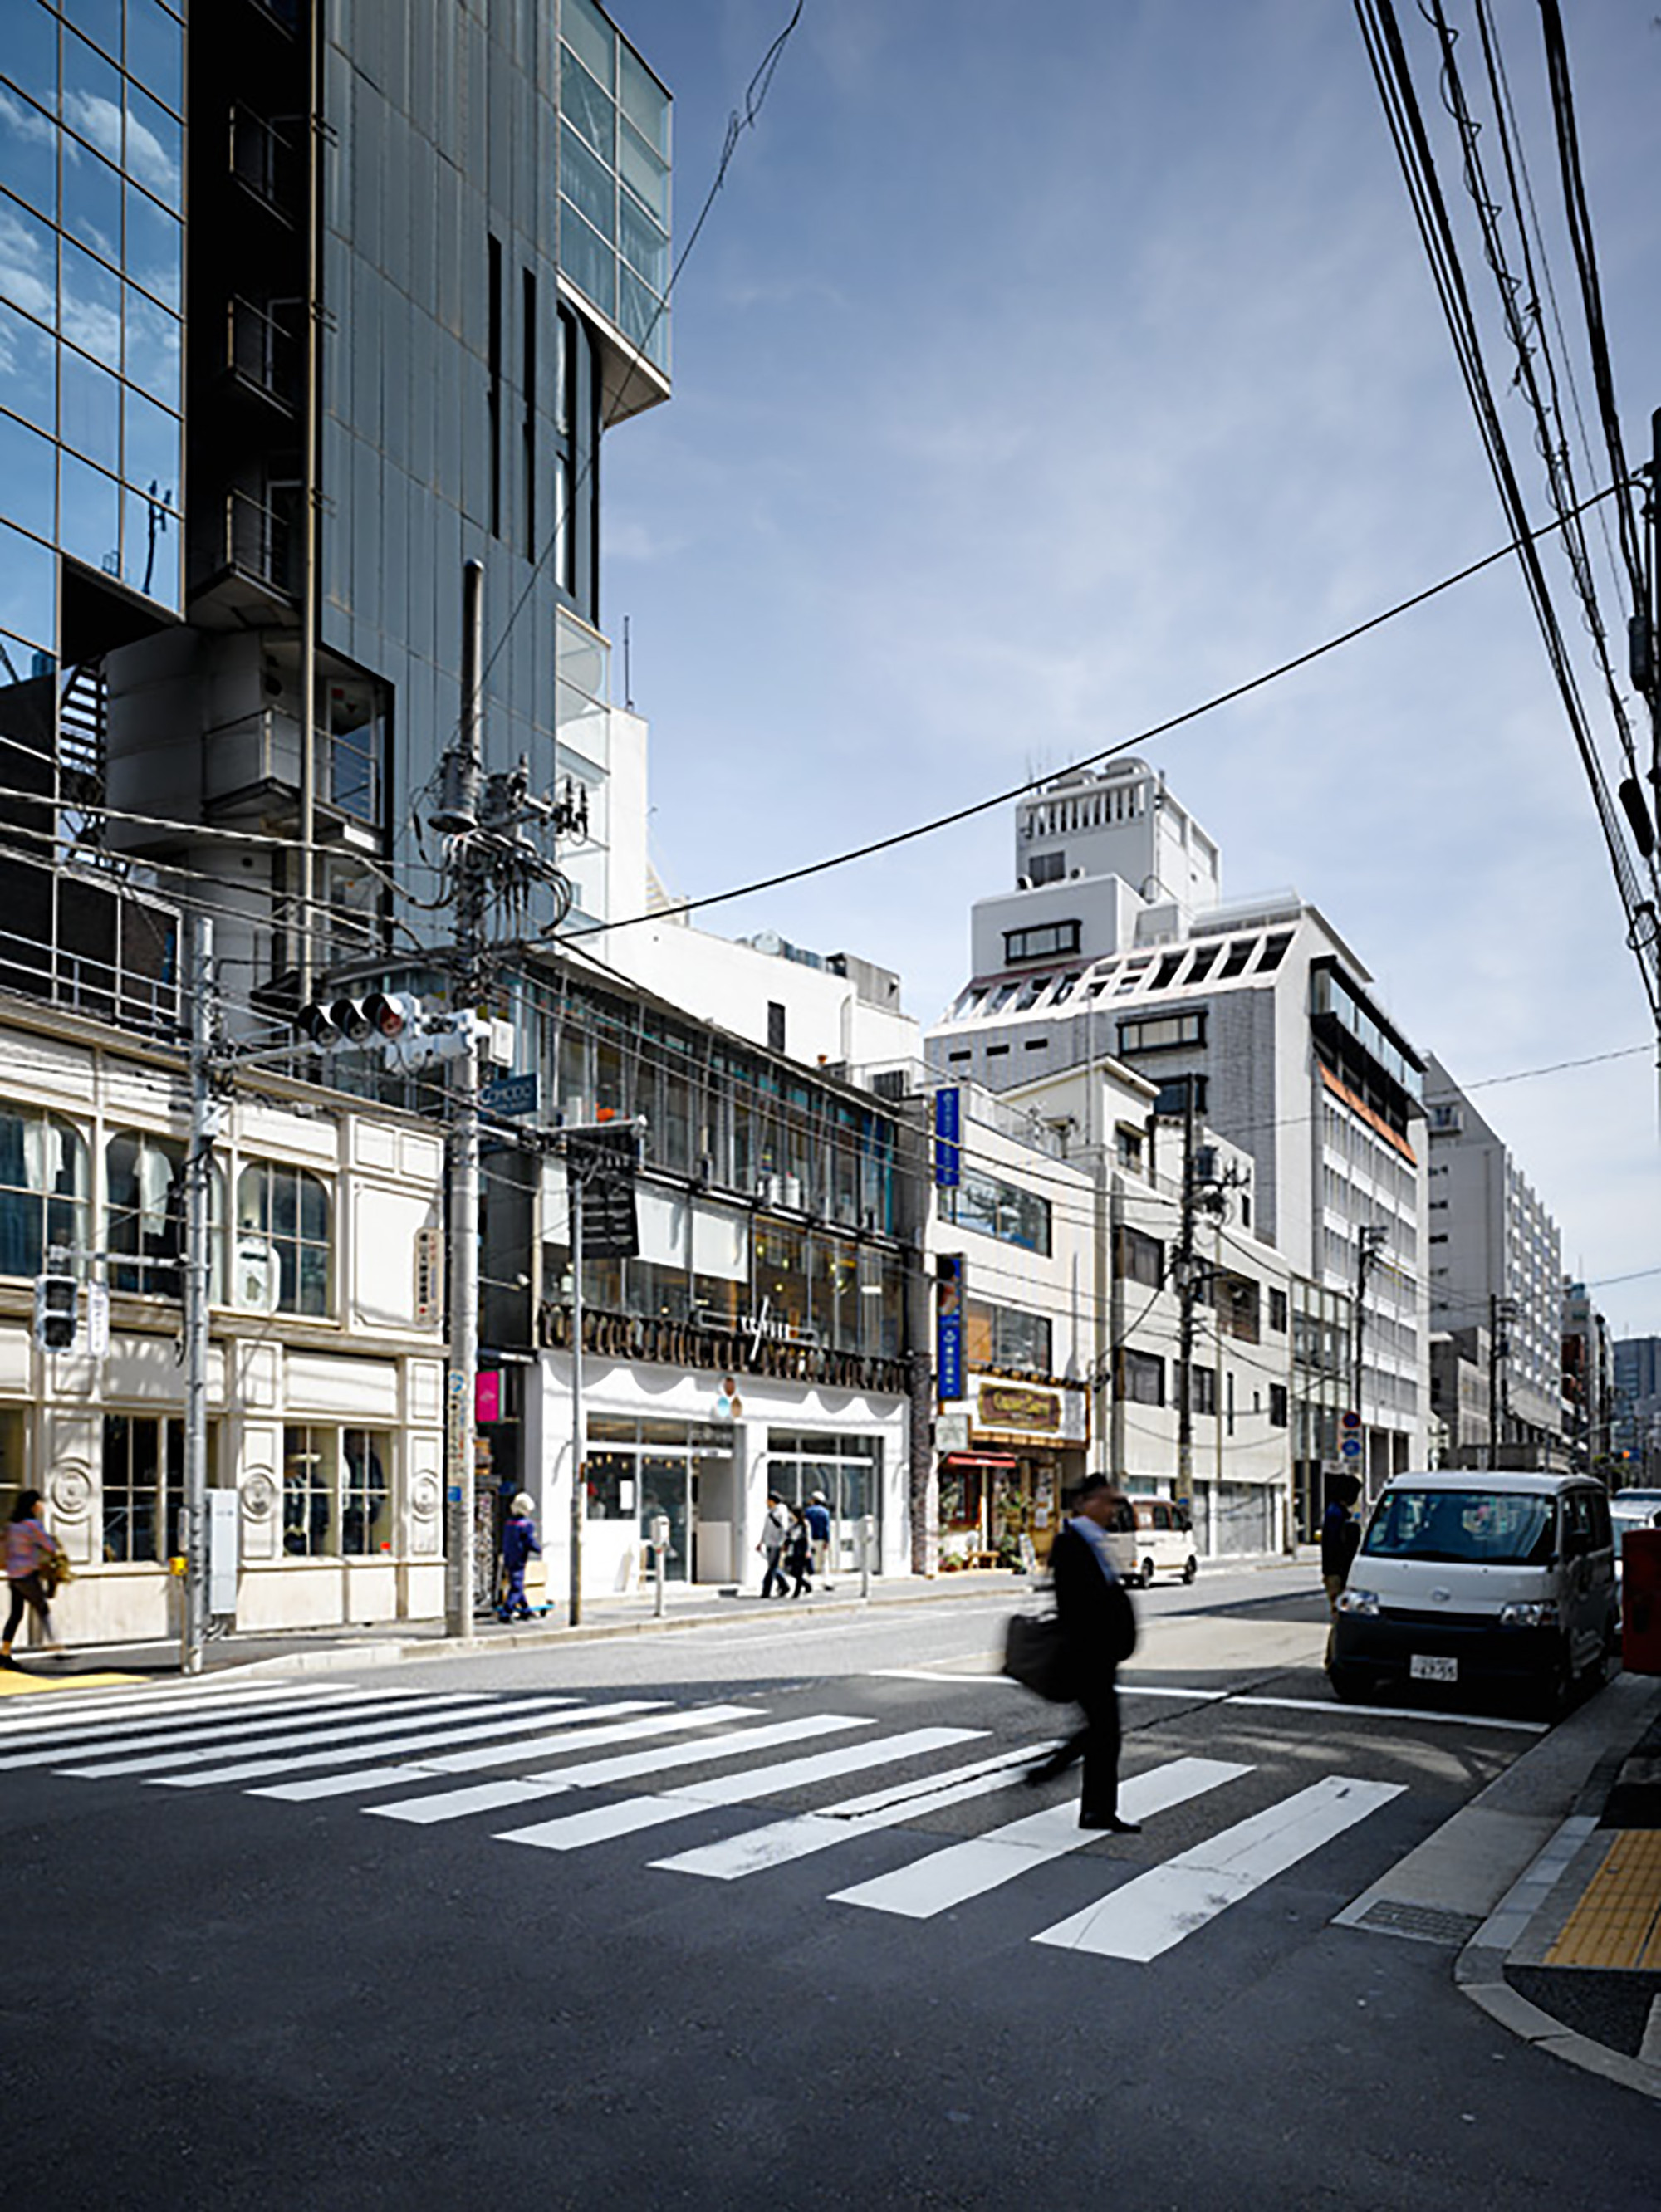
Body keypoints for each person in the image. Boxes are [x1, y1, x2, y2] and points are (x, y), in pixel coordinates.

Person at [1025, 1475, 1139, 1833]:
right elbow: (1076, 1604)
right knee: (1104, 1731)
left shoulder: (1094, 1540)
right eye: (1106, 1502)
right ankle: (1088, 1804)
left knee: (1101, 1732)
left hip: (1098, 1655)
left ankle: (1085, 1800)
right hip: (1085, 1655)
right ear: (1085, 1502)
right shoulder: (1071, 1542)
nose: (1111, 1509)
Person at [3, 1488, 64, 1664]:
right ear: (32, 1505)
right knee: (43, 1609)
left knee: (16, 1614)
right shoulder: (33, 1526)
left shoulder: (12, 1526)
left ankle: (5, 1651)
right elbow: (50, 1547)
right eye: (38, 1502)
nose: (41, 1505)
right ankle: (55, 1645)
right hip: (28, 1574)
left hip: (13, 1575)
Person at [1321, 1472, 1363, 1666]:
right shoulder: (1336, 1515)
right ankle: (1333, 1661)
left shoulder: (1336, 1512)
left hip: (1334, 1571)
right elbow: (1338, 1547)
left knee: (1339, 1617)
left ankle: (1332, 1659)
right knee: (1340, 1618)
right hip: (1337, 1572)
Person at [499, 1491, 541, 1622]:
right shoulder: (526, 1525)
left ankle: (525, 1609)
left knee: (516, 1582)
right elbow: (529, 1541)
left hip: (508, 1557)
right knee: (516, 1586)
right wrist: (538, 1549)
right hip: (519, 1558)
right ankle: (507, 1611)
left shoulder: (509, 1523)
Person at [757, 1493, 791, 1598]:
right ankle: (784, 1586)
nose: (767, 1502)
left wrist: (782, 1542)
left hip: (776, 1543)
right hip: (769, 1542)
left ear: (773, 1501)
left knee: (772, 1567)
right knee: (773, 1567)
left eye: (768, 1500)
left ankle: (766, 1590)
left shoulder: (781, 1512)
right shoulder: (770, 1512)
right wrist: (761, 1541)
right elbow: (766, 1529)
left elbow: (784, 1528)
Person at [805, 1490, 834, 1588]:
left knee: (810, 1561)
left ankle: (810, 1581)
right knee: (824, 1561)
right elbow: (826, 1527)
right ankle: (827, 1582)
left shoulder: (808, 1511)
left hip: (810, 1538)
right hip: (821, 1539)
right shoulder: (825, 1512)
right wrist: (827, 1540)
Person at [785, 1501, 813, 1599]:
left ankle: (797, 1592)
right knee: (792, 1570)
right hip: (793, 1549)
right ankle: (806, 1585)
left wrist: (808, 1551)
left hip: (801, 1549)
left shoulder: (805, 1524)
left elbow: (808, 1538)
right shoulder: (792, 1524)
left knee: (799, 1571)